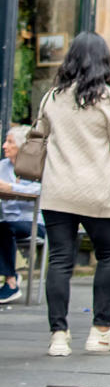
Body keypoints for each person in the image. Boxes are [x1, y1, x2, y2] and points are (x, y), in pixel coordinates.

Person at [37, 33, 110, 356]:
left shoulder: (52, 99)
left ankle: (58, 335)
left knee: (59, 260)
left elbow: (40, 137)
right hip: (98, 195)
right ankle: (101, 330)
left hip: (58, 192)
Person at [0, 127, 41, 304]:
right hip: (8, 222)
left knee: (3, 228)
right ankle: (11, 277)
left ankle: (10, 282)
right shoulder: (2, 166)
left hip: (33, 223)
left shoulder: (37, 168)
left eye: (10, 142)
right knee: (4, 227)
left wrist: (12, 188)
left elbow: (41, 190)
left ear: (22, 146)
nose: (4, 146)